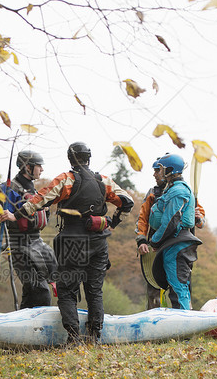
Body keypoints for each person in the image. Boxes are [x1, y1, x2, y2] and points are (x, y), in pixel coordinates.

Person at [16, 142, 134, 344]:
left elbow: (40, 200)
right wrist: (114, 221)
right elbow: (128, 201)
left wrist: (21, 212)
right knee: (94, 290)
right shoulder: (103, 180)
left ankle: (73, 337)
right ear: (89, 157)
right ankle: (94, 336)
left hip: (72, 240)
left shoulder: (66, 180)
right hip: (99, 240)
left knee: (67, 290)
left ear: (71, 159)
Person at [0, 150, 58, 309]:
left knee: (35, 289)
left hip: (37, 244)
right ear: (28, 167)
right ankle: (37, 328)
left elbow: (39, 221)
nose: (42, 169)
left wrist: (46, 212)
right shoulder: (7, 189)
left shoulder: (34, 190)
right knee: (40, 291)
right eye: (39, 166)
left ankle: (23, 319)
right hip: (18, 246)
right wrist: (0, 217)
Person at [135, 153, 202, 310]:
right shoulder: (159, 191)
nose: (156, 173)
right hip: (165, 242)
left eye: (159, 169)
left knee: (178, 287)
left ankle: (185, 325)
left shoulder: (179, 191)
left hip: (175, 241)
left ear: (169, 170)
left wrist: (155, 241)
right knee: (161, 286)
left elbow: (170, 222)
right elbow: (143, 218)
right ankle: (160, 322)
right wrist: (142, 239)